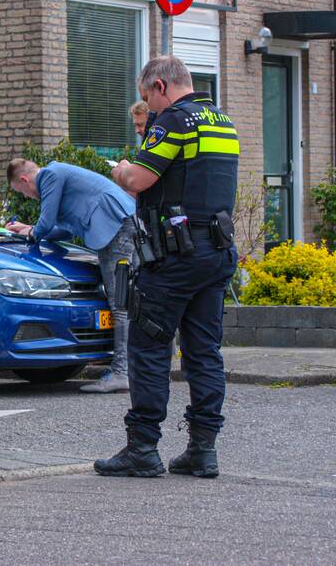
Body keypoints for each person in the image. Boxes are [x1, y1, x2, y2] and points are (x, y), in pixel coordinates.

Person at [95, 55, 239, 479]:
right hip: (215, 252)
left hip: (175, 256)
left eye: (147, 98)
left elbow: (141, 179)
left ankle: (142, 449)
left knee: (150, 346)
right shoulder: (222, 122)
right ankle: (202, 450)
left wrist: (122, 170)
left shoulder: (174, 120)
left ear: (159, 85)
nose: (149, 107)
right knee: (204, 351)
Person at [5, 159, 138, 393]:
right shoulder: (60, 178)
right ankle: (135, 370)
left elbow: (45, 223)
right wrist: (30, 229)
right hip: (120, 226)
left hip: (116, 229)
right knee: (130, 302)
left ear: (24, 180)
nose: (26, 197)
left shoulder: (51, 175)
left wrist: (32, 231)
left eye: (21, 192)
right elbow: (64, 229)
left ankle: (121, 373)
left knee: (121, 305)